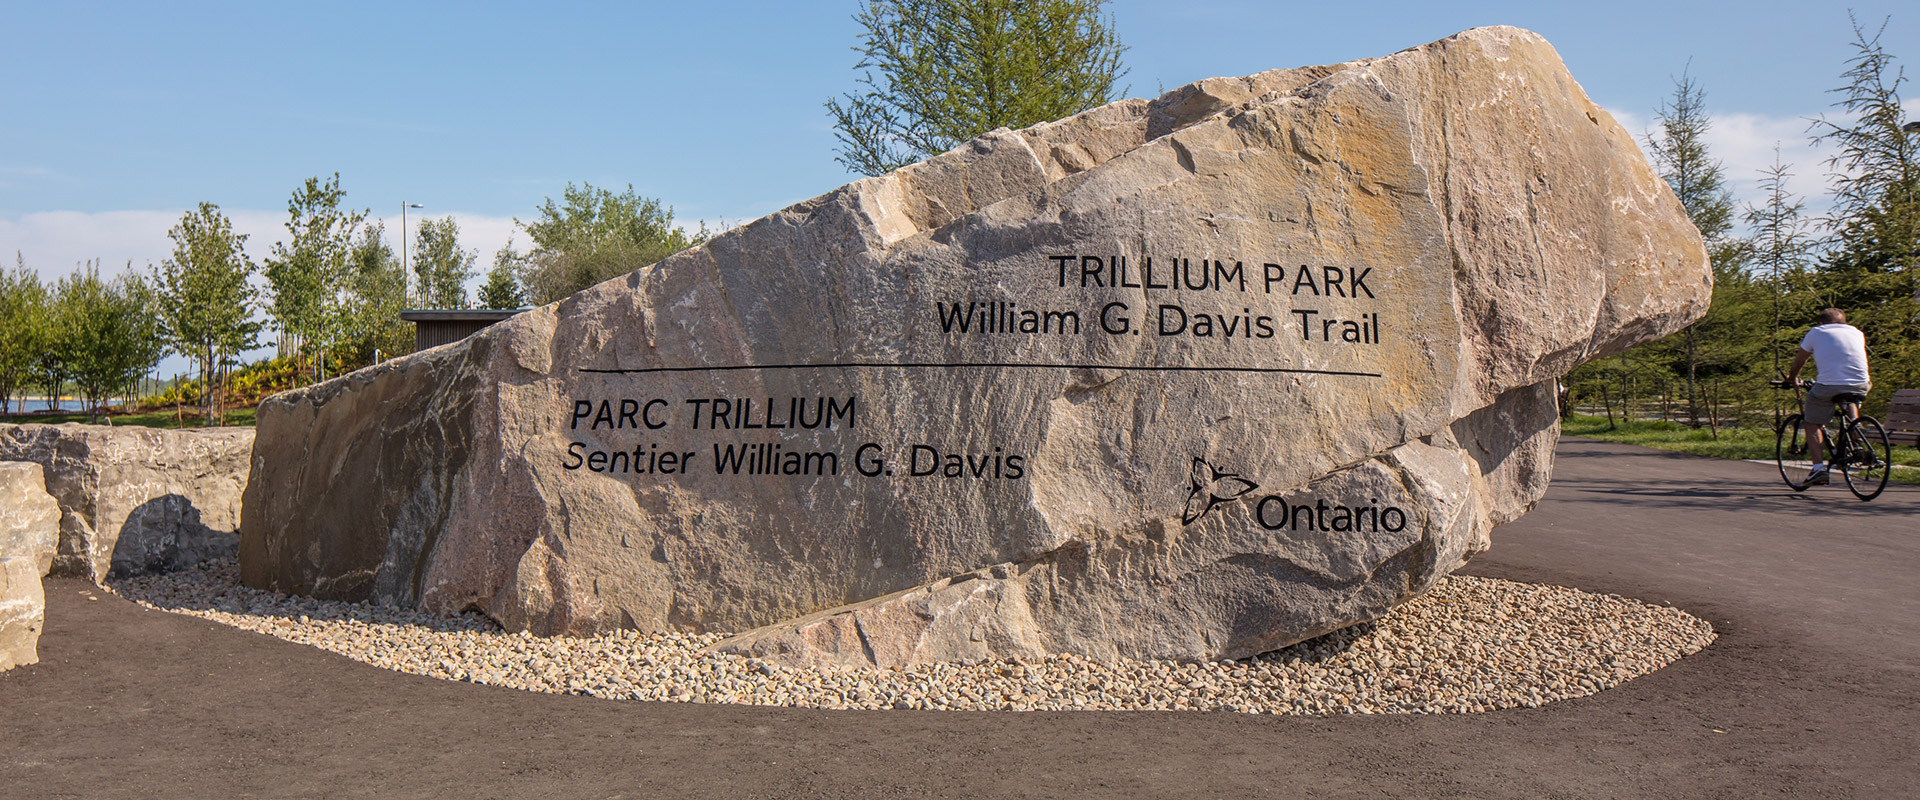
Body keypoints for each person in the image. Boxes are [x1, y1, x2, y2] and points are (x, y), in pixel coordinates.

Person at [1784, 308, 1871, 485]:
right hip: (1861, 384)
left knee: (1812, 422)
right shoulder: (1856, 332)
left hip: (1829, 385)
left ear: (1821, 322)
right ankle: (1855, 428)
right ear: (1844, 322)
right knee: (1849, 396)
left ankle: (1818, 469)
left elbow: (1801, 359)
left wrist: (1791, 378)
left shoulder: (1816, 332)